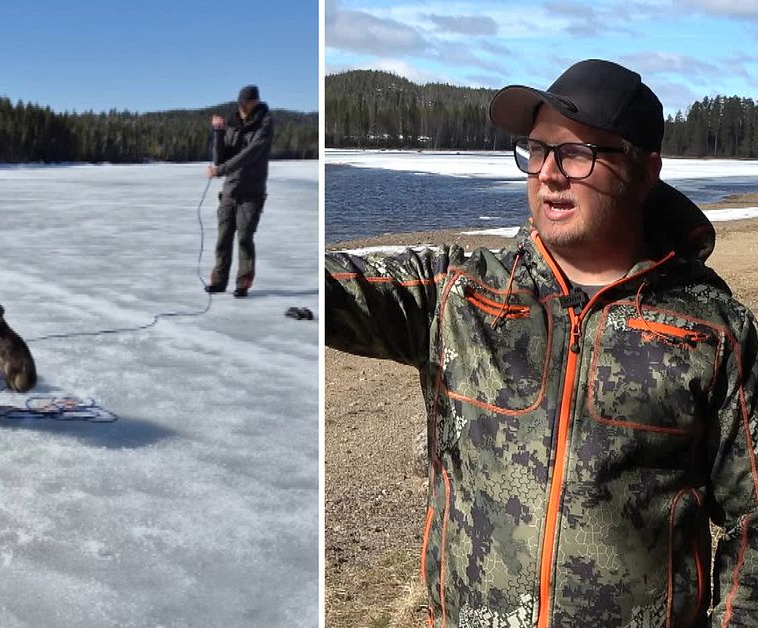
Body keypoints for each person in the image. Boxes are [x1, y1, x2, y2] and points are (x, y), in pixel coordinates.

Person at [325, 59, 758, 626]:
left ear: (645, 170)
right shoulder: (461, 293)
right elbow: (324, 292)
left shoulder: (712, 331)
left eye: (577, 153)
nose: (549, 173)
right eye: (537, 150)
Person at [206, 84, 273, 298]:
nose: (242, 107)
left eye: (246, 103)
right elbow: (220, 158)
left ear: (255, 102)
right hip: (230, 191)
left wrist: (221, 170)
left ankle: (243, 283)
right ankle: (218, 281)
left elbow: (250, 153)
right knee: (223, 238)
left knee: (245, 237)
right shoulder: (232, 124)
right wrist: (218, 133)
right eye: (240, 103)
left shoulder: (265, 123)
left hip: (252, 193)